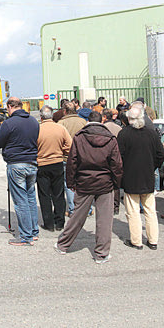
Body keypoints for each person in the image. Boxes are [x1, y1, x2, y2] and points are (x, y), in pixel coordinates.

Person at [55, 111, 123, 264]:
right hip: (105, 183)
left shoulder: (79, 138)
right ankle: (102, 253)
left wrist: (71, 182)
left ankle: (63, 245)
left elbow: (72, 162)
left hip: (84, 181)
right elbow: (117, 164)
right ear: (102, 121)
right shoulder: (110, 139)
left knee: (77, 216)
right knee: (105, 220)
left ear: (87, 121)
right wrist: (116, 183)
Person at [0, 97, 40, 246]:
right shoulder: (34, 121)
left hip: (16, 164)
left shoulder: (8, 123)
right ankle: (34, 232)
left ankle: (26, 237)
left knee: (21, 201)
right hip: (32, 163)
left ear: (10, 107)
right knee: (31, 198)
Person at [117, 104, 164, 250]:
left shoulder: (124, 134)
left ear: (129, 119)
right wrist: (152, 167)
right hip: (148, 176)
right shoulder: (151, 133)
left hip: (131, 177)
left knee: (132, 212)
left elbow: (119, 157)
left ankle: (136, 241)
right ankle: (153, 240)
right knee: (150, 210)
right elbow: (160, 155)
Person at [36, 105, 72, 232]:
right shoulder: (60, 128)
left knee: (44, 195)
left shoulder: (37, 129)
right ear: (52, 115)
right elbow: (70, 145)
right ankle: (60, 222)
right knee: (58, 194)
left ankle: (48, 223)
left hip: (42, 164)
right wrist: (62, 152)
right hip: (57, 162)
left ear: (41, 117)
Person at [58, 102, 88, 216]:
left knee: (68, 184)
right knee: (83, 182)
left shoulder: (61, 123)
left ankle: (72, 209)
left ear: (64, 111)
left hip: (66, 157)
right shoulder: (82, 122)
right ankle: (87, 209)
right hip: (82, 156)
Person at [102, 108, 123, 215]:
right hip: (117, 157)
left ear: (104, 117)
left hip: (105, 158)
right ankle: (116, 206)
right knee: (116, 183)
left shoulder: (103, 128)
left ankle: (106, 205)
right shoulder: (118, 128)